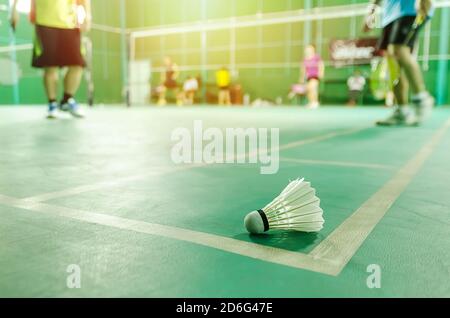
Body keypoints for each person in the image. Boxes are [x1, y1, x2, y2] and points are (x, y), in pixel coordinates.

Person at [10, 0, 91, 119]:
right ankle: (52, 103)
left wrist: (88, 16)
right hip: (44, 22)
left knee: (78, 64)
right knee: (50, 67)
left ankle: (67, 100)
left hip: (70, 24)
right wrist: (14, 10)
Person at [364, 0, 435, 126]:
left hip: (410, 10)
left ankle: (421, 98)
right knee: (392, 60)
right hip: (390, 15)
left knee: (399, 50)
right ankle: (402, 110)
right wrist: (371, 12)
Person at [300, 45, 324, 109]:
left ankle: (315, 102)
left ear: (313, 50)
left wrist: (321, 72)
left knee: (313, 88)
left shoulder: (316, 57)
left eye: (310, 49)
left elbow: (321, 65)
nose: (308, 50)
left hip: (315, 76)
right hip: (309, 77)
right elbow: (303, 69)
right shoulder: (304, 59)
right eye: (307, 49)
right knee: (308, 89)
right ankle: (311, 102)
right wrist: (302, 77)